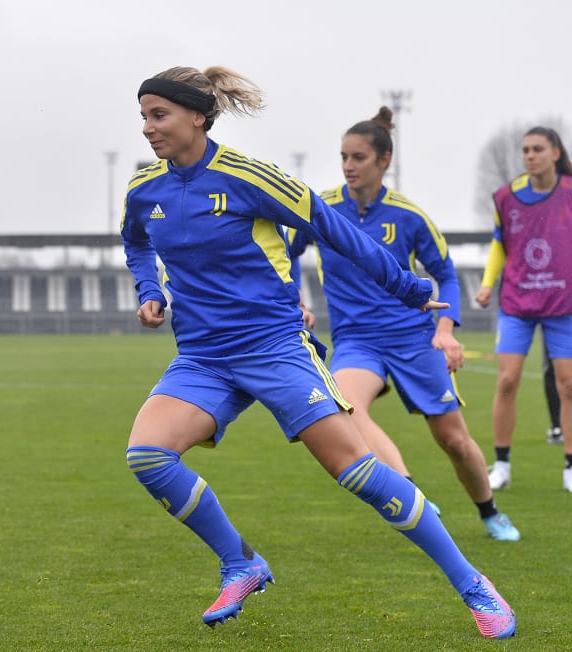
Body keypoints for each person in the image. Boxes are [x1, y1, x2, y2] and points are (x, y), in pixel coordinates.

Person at [121, 66, 515, 639]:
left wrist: (405, 286)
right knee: (149, 457)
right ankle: (241, 563)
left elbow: (336, 230)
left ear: (198, 117)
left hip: (274, 348)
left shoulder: (249, 176)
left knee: (356, 472)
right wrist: (150, 290)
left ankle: (473, 583)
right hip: (203, 357)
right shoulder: (143, 189)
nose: (148, 129)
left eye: (159, 116)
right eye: (143, 118)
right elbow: (135, 243)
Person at [288, 107, 518, 542]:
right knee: (345, 408)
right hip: (356, 340)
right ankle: (411, 494)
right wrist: (293, 298)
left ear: (384, 160)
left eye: (358, 157)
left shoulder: (409, 216)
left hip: (414, 339)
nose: (348, 167)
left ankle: (489, 512)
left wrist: (444, 329)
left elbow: (446, 273)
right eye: (343, 157)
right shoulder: (323, 209)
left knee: (453, 440)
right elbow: (284, 252)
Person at [475, 126, 572, 493]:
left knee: (568, 385)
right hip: (517, 302)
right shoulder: (506, 197)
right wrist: (487, 285)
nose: (530, 156)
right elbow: (500, 244)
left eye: (537, 149)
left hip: (564, 303)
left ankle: (570, 467)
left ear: (556, 154)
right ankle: (500, 464)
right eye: (526, 150)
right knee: (507, 380)